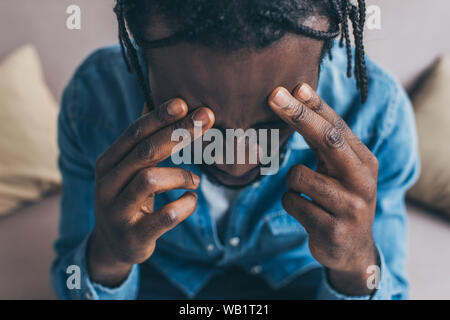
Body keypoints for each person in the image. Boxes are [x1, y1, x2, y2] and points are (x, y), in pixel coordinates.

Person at [52, 0, 420, 299]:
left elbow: (383, 285)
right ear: (141, 54)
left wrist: (355, 265)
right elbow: (72, 280)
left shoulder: (376, 115)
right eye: (200, 123)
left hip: (306, 275)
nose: (237, 165)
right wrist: (110, 258)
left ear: (327, 49)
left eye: (275, 124)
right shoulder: (94, 102)